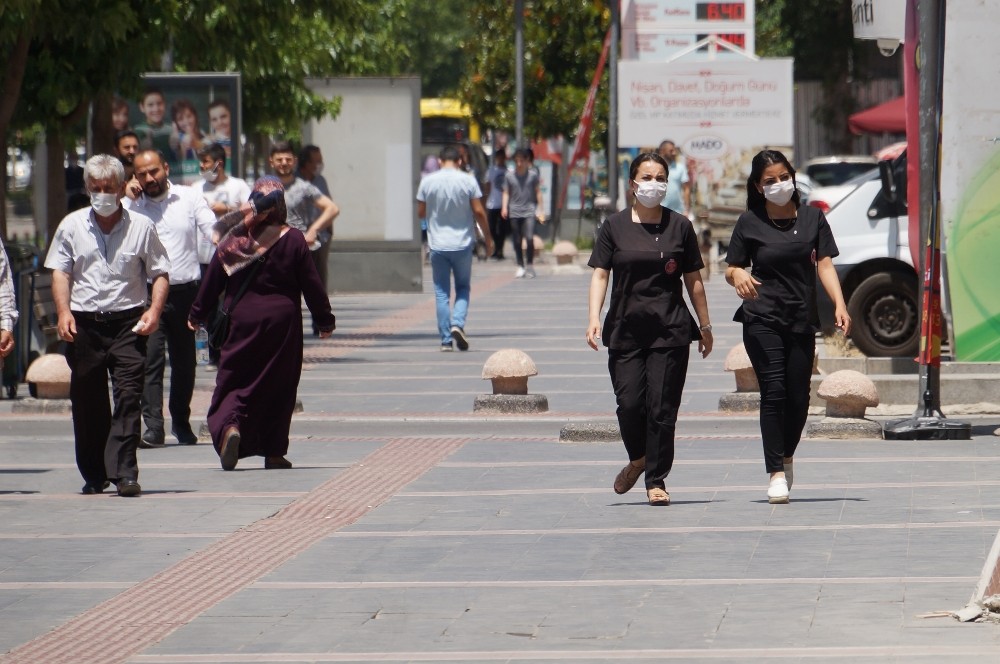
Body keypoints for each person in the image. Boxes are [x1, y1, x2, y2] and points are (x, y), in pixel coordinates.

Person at [725, 149, 852, 505]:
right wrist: (738, 275)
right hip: (761, 318)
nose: (779, 184)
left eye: (783, 177)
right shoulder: (749, 222)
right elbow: (731, 266)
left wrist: (840, 304)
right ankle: (775, 472)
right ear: (757, 186)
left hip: (800, 319)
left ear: (793, 177)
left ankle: (787, 455)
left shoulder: (813, 219)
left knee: (798, 399)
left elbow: (825, 265)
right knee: (775, 391)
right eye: (770, 180)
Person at [586, 152, 713, 507]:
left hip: (670, 330)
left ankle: (656, 479)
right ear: (632, 184)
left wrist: (705, 325)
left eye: (660, 177)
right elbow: (600, 273)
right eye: (646, 177)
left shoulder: (680, 226)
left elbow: (694, 279)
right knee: (629, 404)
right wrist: (594, 316)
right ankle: (639, 459)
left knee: (662, 408)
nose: (653, 183)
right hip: (625, 329)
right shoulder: (614, 226)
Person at [187, 176, 335, 471]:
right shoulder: (293, 238)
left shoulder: (235, 238)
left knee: (233, 381)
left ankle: (230, 428)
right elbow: (312, 284)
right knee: (279, 384)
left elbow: (213, 279)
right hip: (283, 325)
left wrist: (197, 313)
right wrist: (324, 320)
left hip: (241, 322)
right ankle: (275, 451)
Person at [44, 154, 170, 497]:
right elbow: (61, 272)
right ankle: (95, 472)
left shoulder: (141, 226)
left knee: (129, 397)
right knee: (88, 402)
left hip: (129, 323)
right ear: (87, 189)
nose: (103, 194)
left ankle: (125, 472)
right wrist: (63, 312)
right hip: (84, 325)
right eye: (96, 188)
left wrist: (154, 311)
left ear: (120, 188)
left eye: (109, 188)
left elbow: (159, 273)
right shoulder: (71, 226)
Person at [124, 150, 216, 448]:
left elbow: (212, 230)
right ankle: (153, 426)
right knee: (150, 360)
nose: (149, 179)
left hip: (186, 291)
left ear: (166, 168)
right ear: (135, 177)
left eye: (154, 171)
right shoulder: (131, 207)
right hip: (148, 295)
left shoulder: (189, 198)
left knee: (185, 361)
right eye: (142, 174)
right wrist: (125, 198)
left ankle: (180, 420)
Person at [416, 145, 492, 352]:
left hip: (437, 245)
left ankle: (445, 340)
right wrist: (488, 238)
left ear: (440, 161)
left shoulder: (427, 181)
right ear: (459, 161)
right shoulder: (468, 180)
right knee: (463, 288)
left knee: (441, 292)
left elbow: (421, 212)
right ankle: (458, 323)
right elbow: (479, 211)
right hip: (462, 244)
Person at [192, 143, 251, 367]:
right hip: (203, 256)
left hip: (230, 256)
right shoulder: (196, 188)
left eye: (205, 162)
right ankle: (205, 351)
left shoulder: (238, 185)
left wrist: (226, 209)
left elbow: (250, 210)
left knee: (227, 304)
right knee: (205, 304)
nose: (202, 166)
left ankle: (225, 349)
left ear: (218, 163)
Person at [268, 142, 339, 260]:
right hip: (273, 252)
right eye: (279, 160)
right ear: (271, 162)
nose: (284, 163)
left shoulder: (304, 187)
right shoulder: (262, 187)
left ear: (294, 161)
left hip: (300, 251)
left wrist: (314, 230)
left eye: (288, 159)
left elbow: (332, 209)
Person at [296, 145, 334, 293]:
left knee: (318, 282)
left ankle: (320, 314)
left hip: (320, 238)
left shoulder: (320, 181)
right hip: (297, 237)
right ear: (306, 163)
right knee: (294, 279)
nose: (320, 165)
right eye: (317, 161)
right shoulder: (293, 181)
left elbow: (329, 205)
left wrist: (328, 232)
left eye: (321, 161)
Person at [502, 148, 545, 278]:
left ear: (527, 161)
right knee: (516, 239)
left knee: (530, 238)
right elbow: (506, 192)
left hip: (529, 210)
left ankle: (530, 265)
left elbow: (538, 192)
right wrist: (504, 207)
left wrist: (541, 210)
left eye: (522, 160)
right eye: (517, 161)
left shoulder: (532, 175)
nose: (519, 163)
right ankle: (520, 265)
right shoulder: (509, 176)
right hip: (514, 211)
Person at [484, 149, 509, 260]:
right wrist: (486, 198)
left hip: (504, 205)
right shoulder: (491, 171)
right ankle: (496, 247)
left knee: (503, 229)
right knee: (492, 228)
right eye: (498, 157)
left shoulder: (508, 172)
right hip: (492, 203)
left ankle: (500, 250)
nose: (500, 160)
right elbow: (488, 185)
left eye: (502, 157)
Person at [657, 140, 691, 218]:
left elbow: (686, 189)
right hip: (659, 212)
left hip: (678, 212)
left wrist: (686, 209)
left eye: (674, 150)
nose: (674, 153)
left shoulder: (680, 168)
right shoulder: (655, 168)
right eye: (671, 151)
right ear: (662, 151)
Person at [134, 89, 172, 157]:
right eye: (150, 105)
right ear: (142, 107)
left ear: (164, 104)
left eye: (159, 104)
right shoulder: (138, 131)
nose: (156, 109)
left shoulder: (171, 130)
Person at [169, 98, 206, 163]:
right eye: (180, 119)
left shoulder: (201, 132)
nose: (186, 121)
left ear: (195, 116)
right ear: (175, 123)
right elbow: (181, 162)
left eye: (189, 116)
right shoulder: (177, 138)